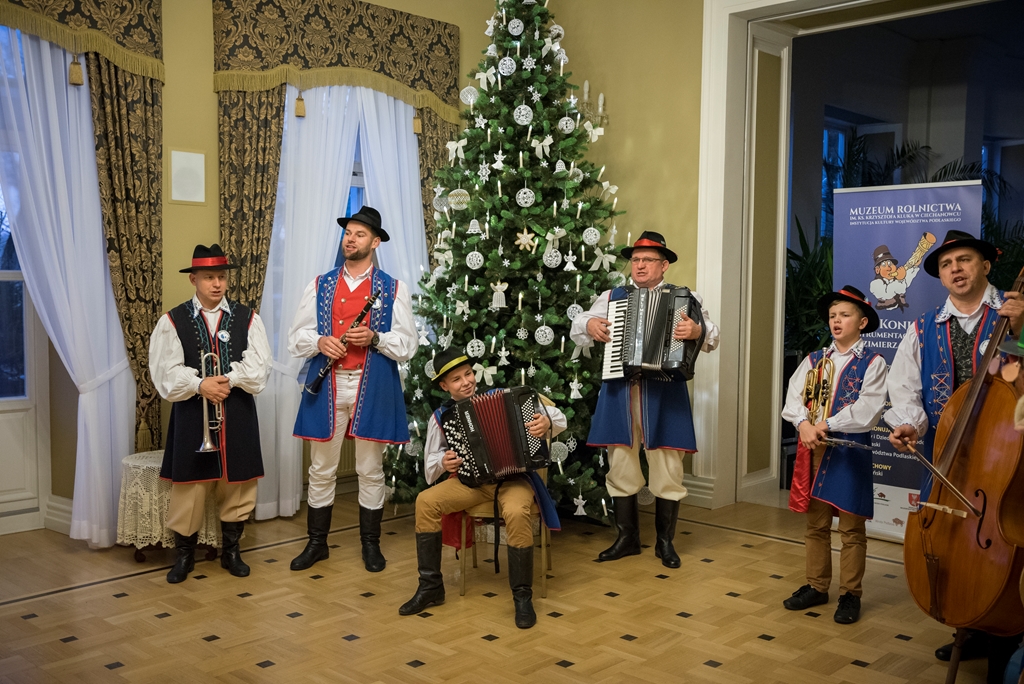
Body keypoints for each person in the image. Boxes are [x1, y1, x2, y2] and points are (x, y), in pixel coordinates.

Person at [886, 229, 1024, 681]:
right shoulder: (923, 328)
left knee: (1005, 542)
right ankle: (971, 620)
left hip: (1007, 456)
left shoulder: (1014, 312)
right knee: (953, 543)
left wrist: (1020, 333)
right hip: (947, 455)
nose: (955, 269)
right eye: (947, 264)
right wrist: (909, 423)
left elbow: (1018, 375)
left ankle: (1006, 636)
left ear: (986, 265)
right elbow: (905, 388)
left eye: (964, 260)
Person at [570, 231, 719, 568]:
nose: (639, 265)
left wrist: (697, 331)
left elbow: (712, 335)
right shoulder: (613, 296)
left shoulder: (685, 297)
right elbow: (579, 323)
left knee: (668, 467)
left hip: (664, 392)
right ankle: (628, 539)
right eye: (635, 260)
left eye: (647, 260)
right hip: (621, 391)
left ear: (663, 266)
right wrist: (591, 324)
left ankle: (665, 542)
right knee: (620, 464)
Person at [289, 206, 417, 573]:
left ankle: (370, 545)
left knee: (370, 469)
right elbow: (296, 338)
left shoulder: (393, 288)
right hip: (327, 384)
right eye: (348, 233)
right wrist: (320, 341)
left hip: (370, 385)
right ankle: (317, 544)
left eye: (360, 234)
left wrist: (376, 338)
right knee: (321, 468)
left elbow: (408, 345)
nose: (351, 239)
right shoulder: (320, 284)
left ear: (375, 243)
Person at [398, 349, 566, 629]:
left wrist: (547, 422)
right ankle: (430, 587)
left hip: (513, 481)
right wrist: (443, 461)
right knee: (425, 501)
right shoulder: (442, 417)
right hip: (471, 484)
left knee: (516, 512)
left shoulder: (507, 398)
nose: (466, 382)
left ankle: (522, 596)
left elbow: (558, 417)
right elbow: (430, 469)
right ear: (444, 386)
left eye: (468, 374)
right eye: (456, 379)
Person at [150, 244, 272, 584]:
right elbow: (165, 373)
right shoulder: (172, 320)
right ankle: (184, 556)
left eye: (221, 277)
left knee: (238, 487)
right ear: (194, 280)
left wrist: (228, 380)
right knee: (189, 488)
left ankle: (231, 551)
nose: (216, 284)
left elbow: (259, 368)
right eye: (208, 277)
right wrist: (199, 384)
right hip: (193, 414)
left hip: (237, 412)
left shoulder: (249, 318)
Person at [781, 285, 886, 624]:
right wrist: (803, 424)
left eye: (845, 315)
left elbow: (868, 409)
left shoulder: (874, 362)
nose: (836, 321)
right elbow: (793, 398)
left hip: (849, 453)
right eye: (832, 316)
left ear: (862, 321)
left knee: (852, 529)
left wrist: (825, 424)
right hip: (814, 449)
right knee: (816, 524)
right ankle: (817, 585)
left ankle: (850, 594)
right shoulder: (815, 360)